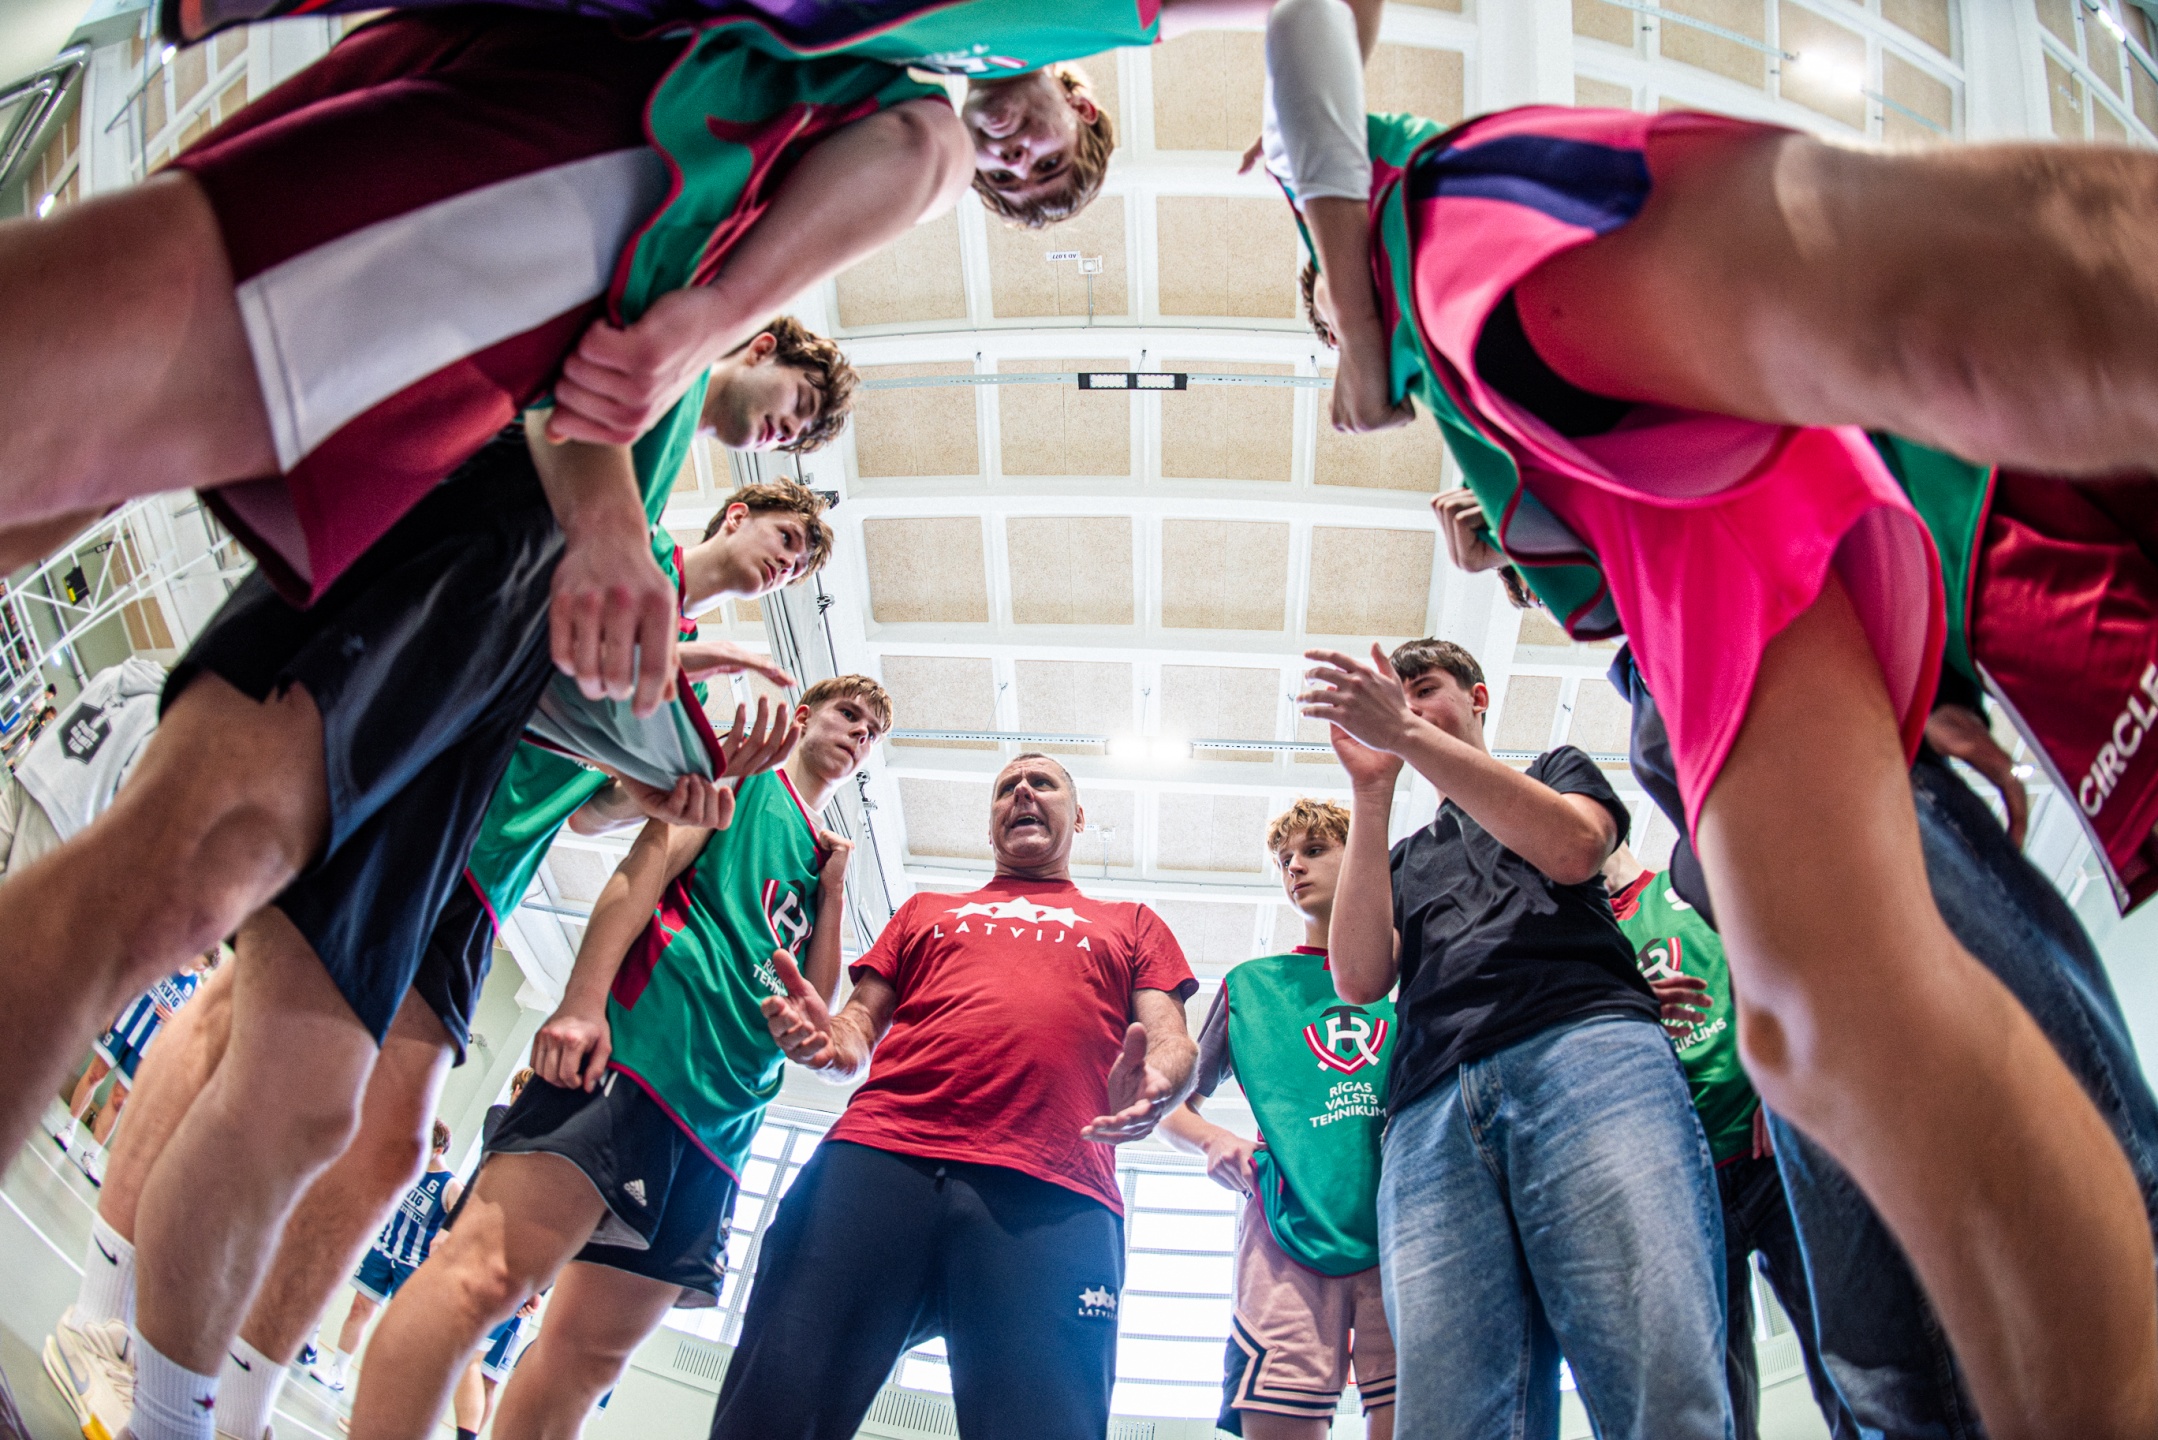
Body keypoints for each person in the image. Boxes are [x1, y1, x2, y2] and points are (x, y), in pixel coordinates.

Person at [1267, 3, 2158, 1412]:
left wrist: (1350, 302)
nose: (1333, 345)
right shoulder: (1483, 431)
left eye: (1324, 315)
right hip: (1700, 612)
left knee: (1952, 310)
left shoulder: (1410, 232)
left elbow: (1308, 36)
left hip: (1557, 317)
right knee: (1815, 1037)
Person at [34, 439, 831, 1440]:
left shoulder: (684, 687)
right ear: (738, 513)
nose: (790, 564)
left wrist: (662, 796)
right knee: (232, 1022)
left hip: (486, 883)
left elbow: (584, 808)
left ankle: (233, 1408)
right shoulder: (624, 553)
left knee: (382, 1150)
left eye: (804, 564)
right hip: (421, 813)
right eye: (788, 538)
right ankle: (100, 1320)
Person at [344, 675, 889, 1440]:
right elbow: (645, 869)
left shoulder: (824, 859)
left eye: (871, 733)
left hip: (721, 1129)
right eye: (849, 715)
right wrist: (579, 1001)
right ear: (803, 717)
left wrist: (834, 891)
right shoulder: (745, 778)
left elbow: (814, 1004)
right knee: (484, 1279)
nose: (858, 734)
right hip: (636, 1060)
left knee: (589, 1362)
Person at [1306, 637, 1729, 1440]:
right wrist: (1371, 788)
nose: (1404, 707)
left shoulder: (1555, 770)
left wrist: (1405, 733)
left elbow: (1575, 850)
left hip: (1586, 1052)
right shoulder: (1401, 857)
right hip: (1430, 1108)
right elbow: (1358, 979)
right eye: (1395, 697)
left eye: (1423, 689)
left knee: (1656, 1368)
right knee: (1452, 1416)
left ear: (1478, 698)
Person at [710, 750, 1199, 1440]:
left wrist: (1158, 1081)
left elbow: (1174, 1038)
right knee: (775, 1409)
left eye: (1042, 783)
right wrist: (830, 1043)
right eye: (1006, 788)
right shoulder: (924, 911)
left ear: (1079, 816)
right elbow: (857, 1027)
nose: (1022, 792)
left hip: (1056, 1188)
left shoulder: (1133, 922)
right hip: (877, 1161)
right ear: (991, 818)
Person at [1602, 839, 1856, 1440]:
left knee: (1846, 1354)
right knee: (1716, 1394)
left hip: (1772, 1157)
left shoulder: (1690, 886)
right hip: (1685, 1191)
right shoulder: (1587, 945)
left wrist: (1780, 1081)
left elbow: (1778, 969)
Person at [1160, 798, 1395, 1440]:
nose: (1294, 867)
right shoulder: (1251, 986)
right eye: (1285, 858)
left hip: (1404, 1232)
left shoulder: (1416, 978)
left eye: (1314, 850)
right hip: (1285, 1231)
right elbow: (1170, 1109)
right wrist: (1214, 1140)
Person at [309, 1120, 463, 1393]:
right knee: (359, 1308)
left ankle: (385, 1391)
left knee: (399, 1329)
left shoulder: (450, 1186)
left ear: (438, 1150)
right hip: (384, 1249)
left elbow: (462, 1225)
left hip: (414, 1265)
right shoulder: (408, 1167)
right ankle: (338, 1372)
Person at [52, 952, 217, 1184]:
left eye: (207, 968)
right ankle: (69, 1128)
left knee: (119, 1099)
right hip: (125, 1022)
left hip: (146, 1046)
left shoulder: (195, 990)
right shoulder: (165, 957)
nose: (203, 969)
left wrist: (174, 1022)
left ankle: (92, 1154)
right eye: (204, 963)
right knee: (96, 1074)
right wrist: (111, 1008)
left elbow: (192, 1030)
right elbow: (132, 977)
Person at [2, 659, 165, 880]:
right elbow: (127, 803)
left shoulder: (115, 672)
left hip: (34, 774)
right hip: (63, 818)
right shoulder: (158, 722)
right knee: (16, 899)